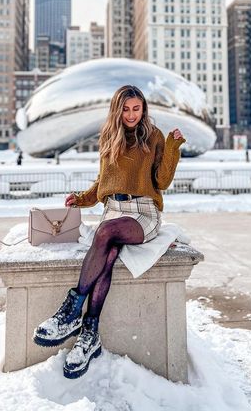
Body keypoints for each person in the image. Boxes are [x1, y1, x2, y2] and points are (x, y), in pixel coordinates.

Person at [33, 85, 186, 379]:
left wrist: (172, 148)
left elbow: (162, 181)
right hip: (113, 210)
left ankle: (69, 311)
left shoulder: (153, 136)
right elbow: (104, 183)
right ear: (118, 110)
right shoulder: (109, 138)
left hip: (143, 213)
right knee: (109, 248)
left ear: (143, 110)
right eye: (126, 109)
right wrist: (81, 198)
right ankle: (89, 333)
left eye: (136, 109)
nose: (131, 115)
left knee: (105, 234)